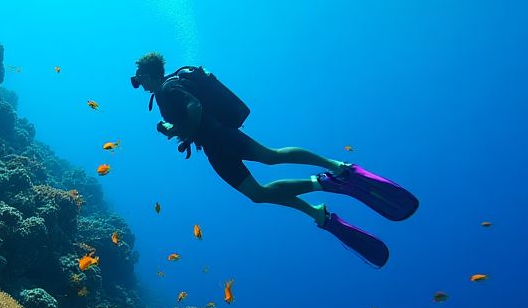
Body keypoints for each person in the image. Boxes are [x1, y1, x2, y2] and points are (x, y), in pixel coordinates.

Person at [131, 51, 418, 267]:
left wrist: (184, 129)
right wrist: (174, 130)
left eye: (139, 74)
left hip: (220, 140)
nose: (137, 80)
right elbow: (190, 115)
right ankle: (323, 195)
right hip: (217, 143)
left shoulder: (168, 89)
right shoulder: (165, 93)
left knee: (271, 160)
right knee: (261, 184)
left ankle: (336, 172)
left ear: (148, 72)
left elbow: (194, 106)